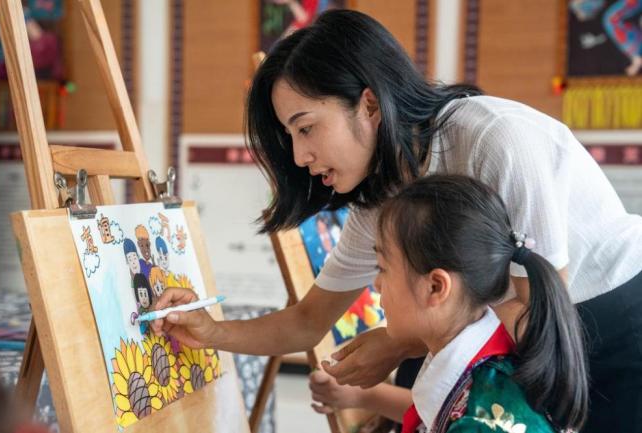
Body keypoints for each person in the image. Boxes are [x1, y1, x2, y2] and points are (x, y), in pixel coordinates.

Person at [153, 10, 642, 432]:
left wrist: (397, 340)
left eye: (306, 128)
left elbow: (534, 316)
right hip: (525, 342)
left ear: (368, 105)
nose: (301, 156)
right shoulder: (381, 194)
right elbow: (307, 320)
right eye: (291, 136)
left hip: (613, 321)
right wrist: (209, 331)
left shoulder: (495, 139)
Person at [311, 175, 589, 433]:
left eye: (383, 268)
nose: (377, 284)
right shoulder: (488, 360)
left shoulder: (478, 421)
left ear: (435, 287)